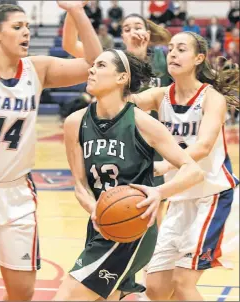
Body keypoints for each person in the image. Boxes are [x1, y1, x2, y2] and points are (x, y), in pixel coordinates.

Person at [0, 1, 102, 301]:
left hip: (16, 193)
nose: (26, 32)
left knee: (23, 292)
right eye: (17, 27)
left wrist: (77, 11)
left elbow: (96, 64)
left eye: (27, 26)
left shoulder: (37, 69)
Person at [53, 48, 204, 301]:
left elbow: (193, 170)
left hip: (134, 229)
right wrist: (95, 210)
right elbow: (80, 185)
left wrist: (159, 192)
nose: (91, 69)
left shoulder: (142, 122)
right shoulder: (75, 122)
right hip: (102, 227)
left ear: (122, 78)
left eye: (101, 65)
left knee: (66, 296)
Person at [129, 31, 239, 301]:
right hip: (180, 199)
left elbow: (203, 146)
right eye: (170, 49)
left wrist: (164, 166)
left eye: (181, 49)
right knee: (155, 288)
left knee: (183, 281)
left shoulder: (212, 99)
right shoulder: (160, 96)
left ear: (199, 58)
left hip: (212, 197)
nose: (173, 54)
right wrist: (135, 57)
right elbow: (122, 103)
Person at [61, 10, 172, 225]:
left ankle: (148, 255)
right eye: (127, 29)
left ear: (148, 33)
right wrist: (73, 10)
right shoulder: (112, 62)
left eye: (138, 27)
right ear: (121, 35)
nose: (133, 32)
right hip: (121, 142)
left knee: (154, 212)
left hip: (154, 141)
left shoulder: (165, 59)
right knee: (119, 208)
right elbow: (69, 45)